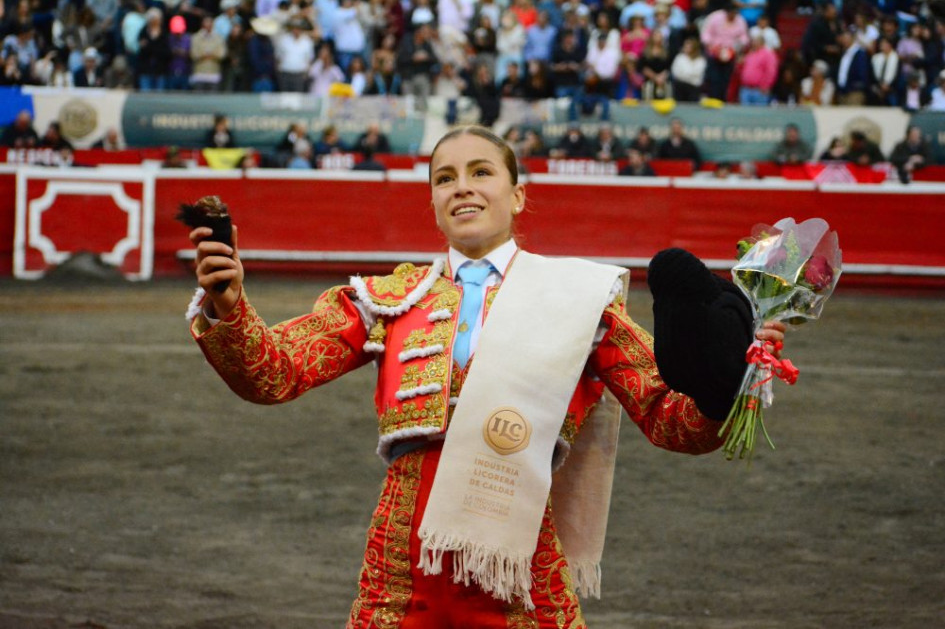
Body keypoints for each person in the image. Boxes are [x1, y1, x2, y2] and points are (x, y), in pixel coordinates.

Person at [185, 125, 786, 626]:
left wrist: (733, 377)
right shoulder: (388, 297)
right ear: (433, 203)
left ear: (517, 195)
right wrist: (228, 306)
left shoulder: (579, 300)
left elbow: (671, 418)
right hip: (405, 549)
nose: (461, 188)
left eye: (480, 172)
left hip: (519, 545)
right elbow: (273, 372)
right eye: (444, 178)